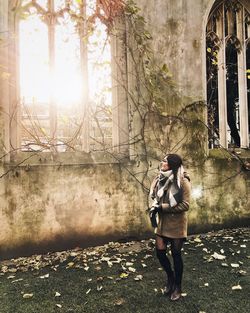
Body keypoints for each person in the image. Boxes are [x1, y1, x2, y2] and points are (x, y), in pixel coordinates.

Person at [149, 154, 191, 301]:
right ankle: (171, 278)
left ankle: (178, 287)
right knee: (160, 252)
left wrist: (163, 207)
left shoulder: (183, 181)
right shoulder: (159, 178)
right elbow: (155, 197)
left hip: (177, 224)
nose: (162, 163)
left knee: (176, 255)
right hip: (162, 223)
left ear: (172, 164)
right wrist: (155, 203)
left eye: (165, 161)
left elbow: (185, 205)